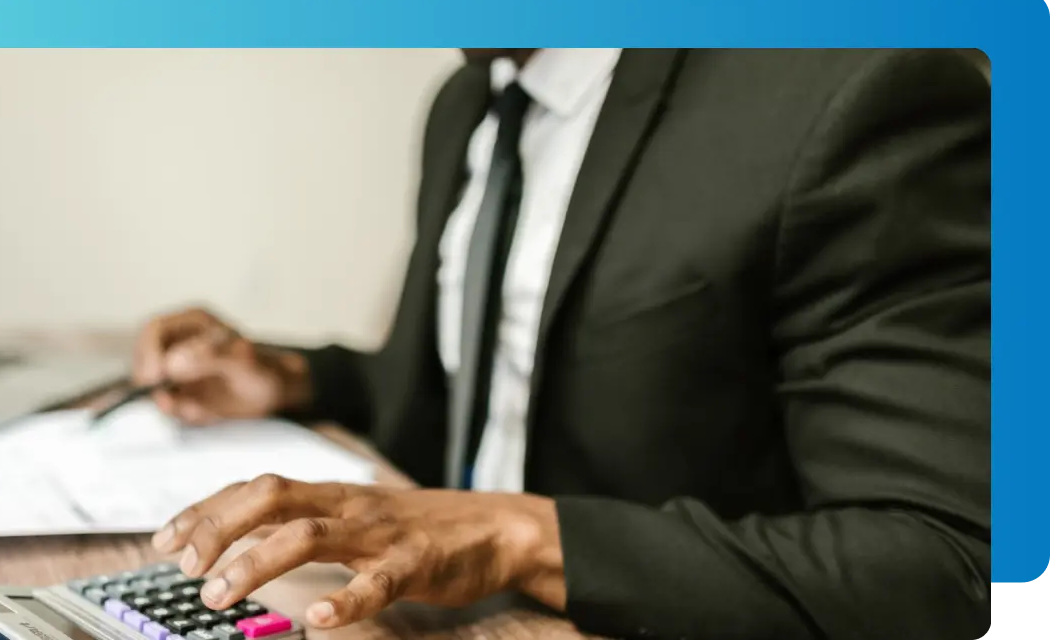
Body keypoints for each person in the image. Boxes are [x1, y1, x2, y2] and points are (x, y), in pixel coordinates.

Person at [133, 48, 991, 640]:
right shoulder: (466, 104)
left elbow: (945, 565)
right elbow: (478, 389)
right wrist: (289, 377)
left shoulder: (859, 91)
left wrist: (519, 532)